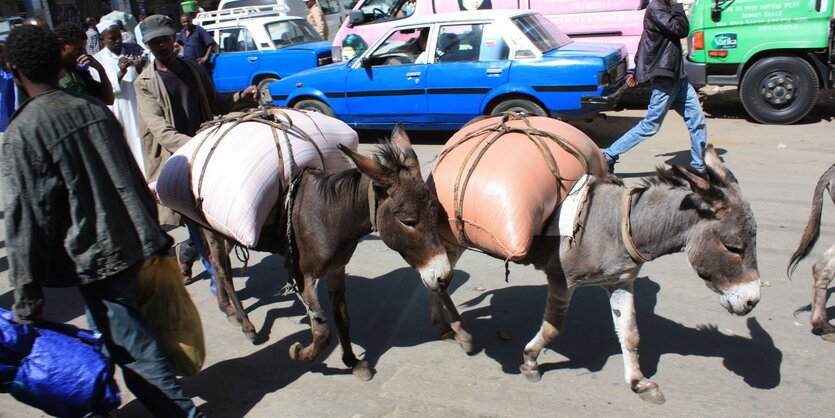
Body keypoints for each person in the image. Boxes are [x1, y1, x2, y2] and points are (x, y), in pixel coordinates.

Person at [1, 24, 204, 417]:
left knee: (139, 357)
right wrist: (156, 237)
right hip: (133, 244)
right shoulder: (90, 108)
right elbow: (131, 176)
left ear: (14, 69)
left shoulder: (23, 132)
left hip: (102, 260)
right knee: (114, 341)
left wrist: (26, 302)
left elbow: (26, 222)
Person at [135, 14, 257, 287]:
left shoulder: (194, 70)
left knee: (214, 218)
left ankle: (186, 254)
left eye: (165, 39)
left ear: (174, 38)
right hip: (178, 160)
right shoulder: (145, 83)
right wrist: (198, 148)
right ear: (148, 46)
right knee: (198, 223)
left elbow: (215, 103)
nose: (162, 45)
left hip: (208, 156)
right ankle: (219, 284)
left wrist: (240, 99)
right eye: (155, 42)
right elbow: (162, 132)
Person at [602, 0, 707, 174]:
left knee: (697, 121)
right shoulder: (657, 7)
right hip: (665, 77)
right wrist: (676, 5)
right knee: (650, 125)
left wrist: (637, 70)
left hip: (679, 77)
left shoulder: (664, 7)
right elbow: (681, 29)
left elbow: (646, 42)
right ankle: (609, 155)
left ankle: (699, 167)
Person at [93, 20, 147, 176]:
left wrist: (138, 67)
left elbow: (146, 74)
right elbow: (102, 86)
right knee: (126, 141)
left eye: (119, 36)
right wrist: (120, 72)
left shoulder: (134, 50)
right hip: (119, 107)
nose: (117, 41)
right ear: (103, 39)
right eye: (112, 38)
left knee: (142, 138)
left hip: (137, 102)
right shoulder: (98, 59)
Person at [53, 22, 115, 105]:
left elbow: (108, 100)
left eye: (84, 49)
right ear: (61, 44)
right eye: (79, 49)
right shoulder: (50, 71)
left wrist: (100, 70)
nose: (83, 53)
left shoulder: (79, 70)